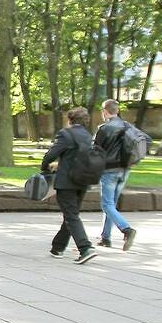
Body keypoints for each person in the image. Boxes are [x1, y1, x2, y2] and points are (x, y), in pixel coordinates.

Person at [43, 107, 97, 264]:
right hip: (83, 180)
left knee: (71, 215)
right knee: (71, 214)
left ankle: (85, 248)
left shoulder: (66, 134)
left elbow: (51, 154)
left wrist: (45, 167)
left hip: (67, 182)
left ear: (70, 120)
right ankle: (58, 247)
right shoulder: (88, 136)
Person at [93, 99, 136, 251]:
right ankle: (106, 237)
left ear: (105, 111)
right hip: (125, 170)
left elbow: (95, 151)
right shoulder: (128, 126)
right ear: (117, 111)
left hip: (109, 171)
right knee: (112, 205)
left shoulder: (104, 129)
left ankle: (127, 229)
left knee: (107, 204)